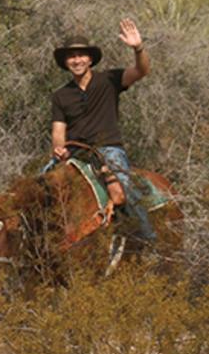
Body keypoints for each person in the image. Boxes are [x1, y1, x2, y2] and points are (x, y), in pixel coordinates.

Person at [49, 18, 157, 243]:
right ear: (66, 62)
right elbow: (59, 130)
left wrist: (138, 48)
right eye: (71, 56)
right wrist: (58, 149)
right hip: (75, 153)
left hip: (108, 150)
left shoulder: (109, 79)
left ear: (90, 59)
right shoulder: (61, 95)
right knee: (39, 188)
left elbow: (142, 70)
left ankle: (148, 239)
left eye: (81, 55)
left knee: (123, 191)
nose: (77, 60)